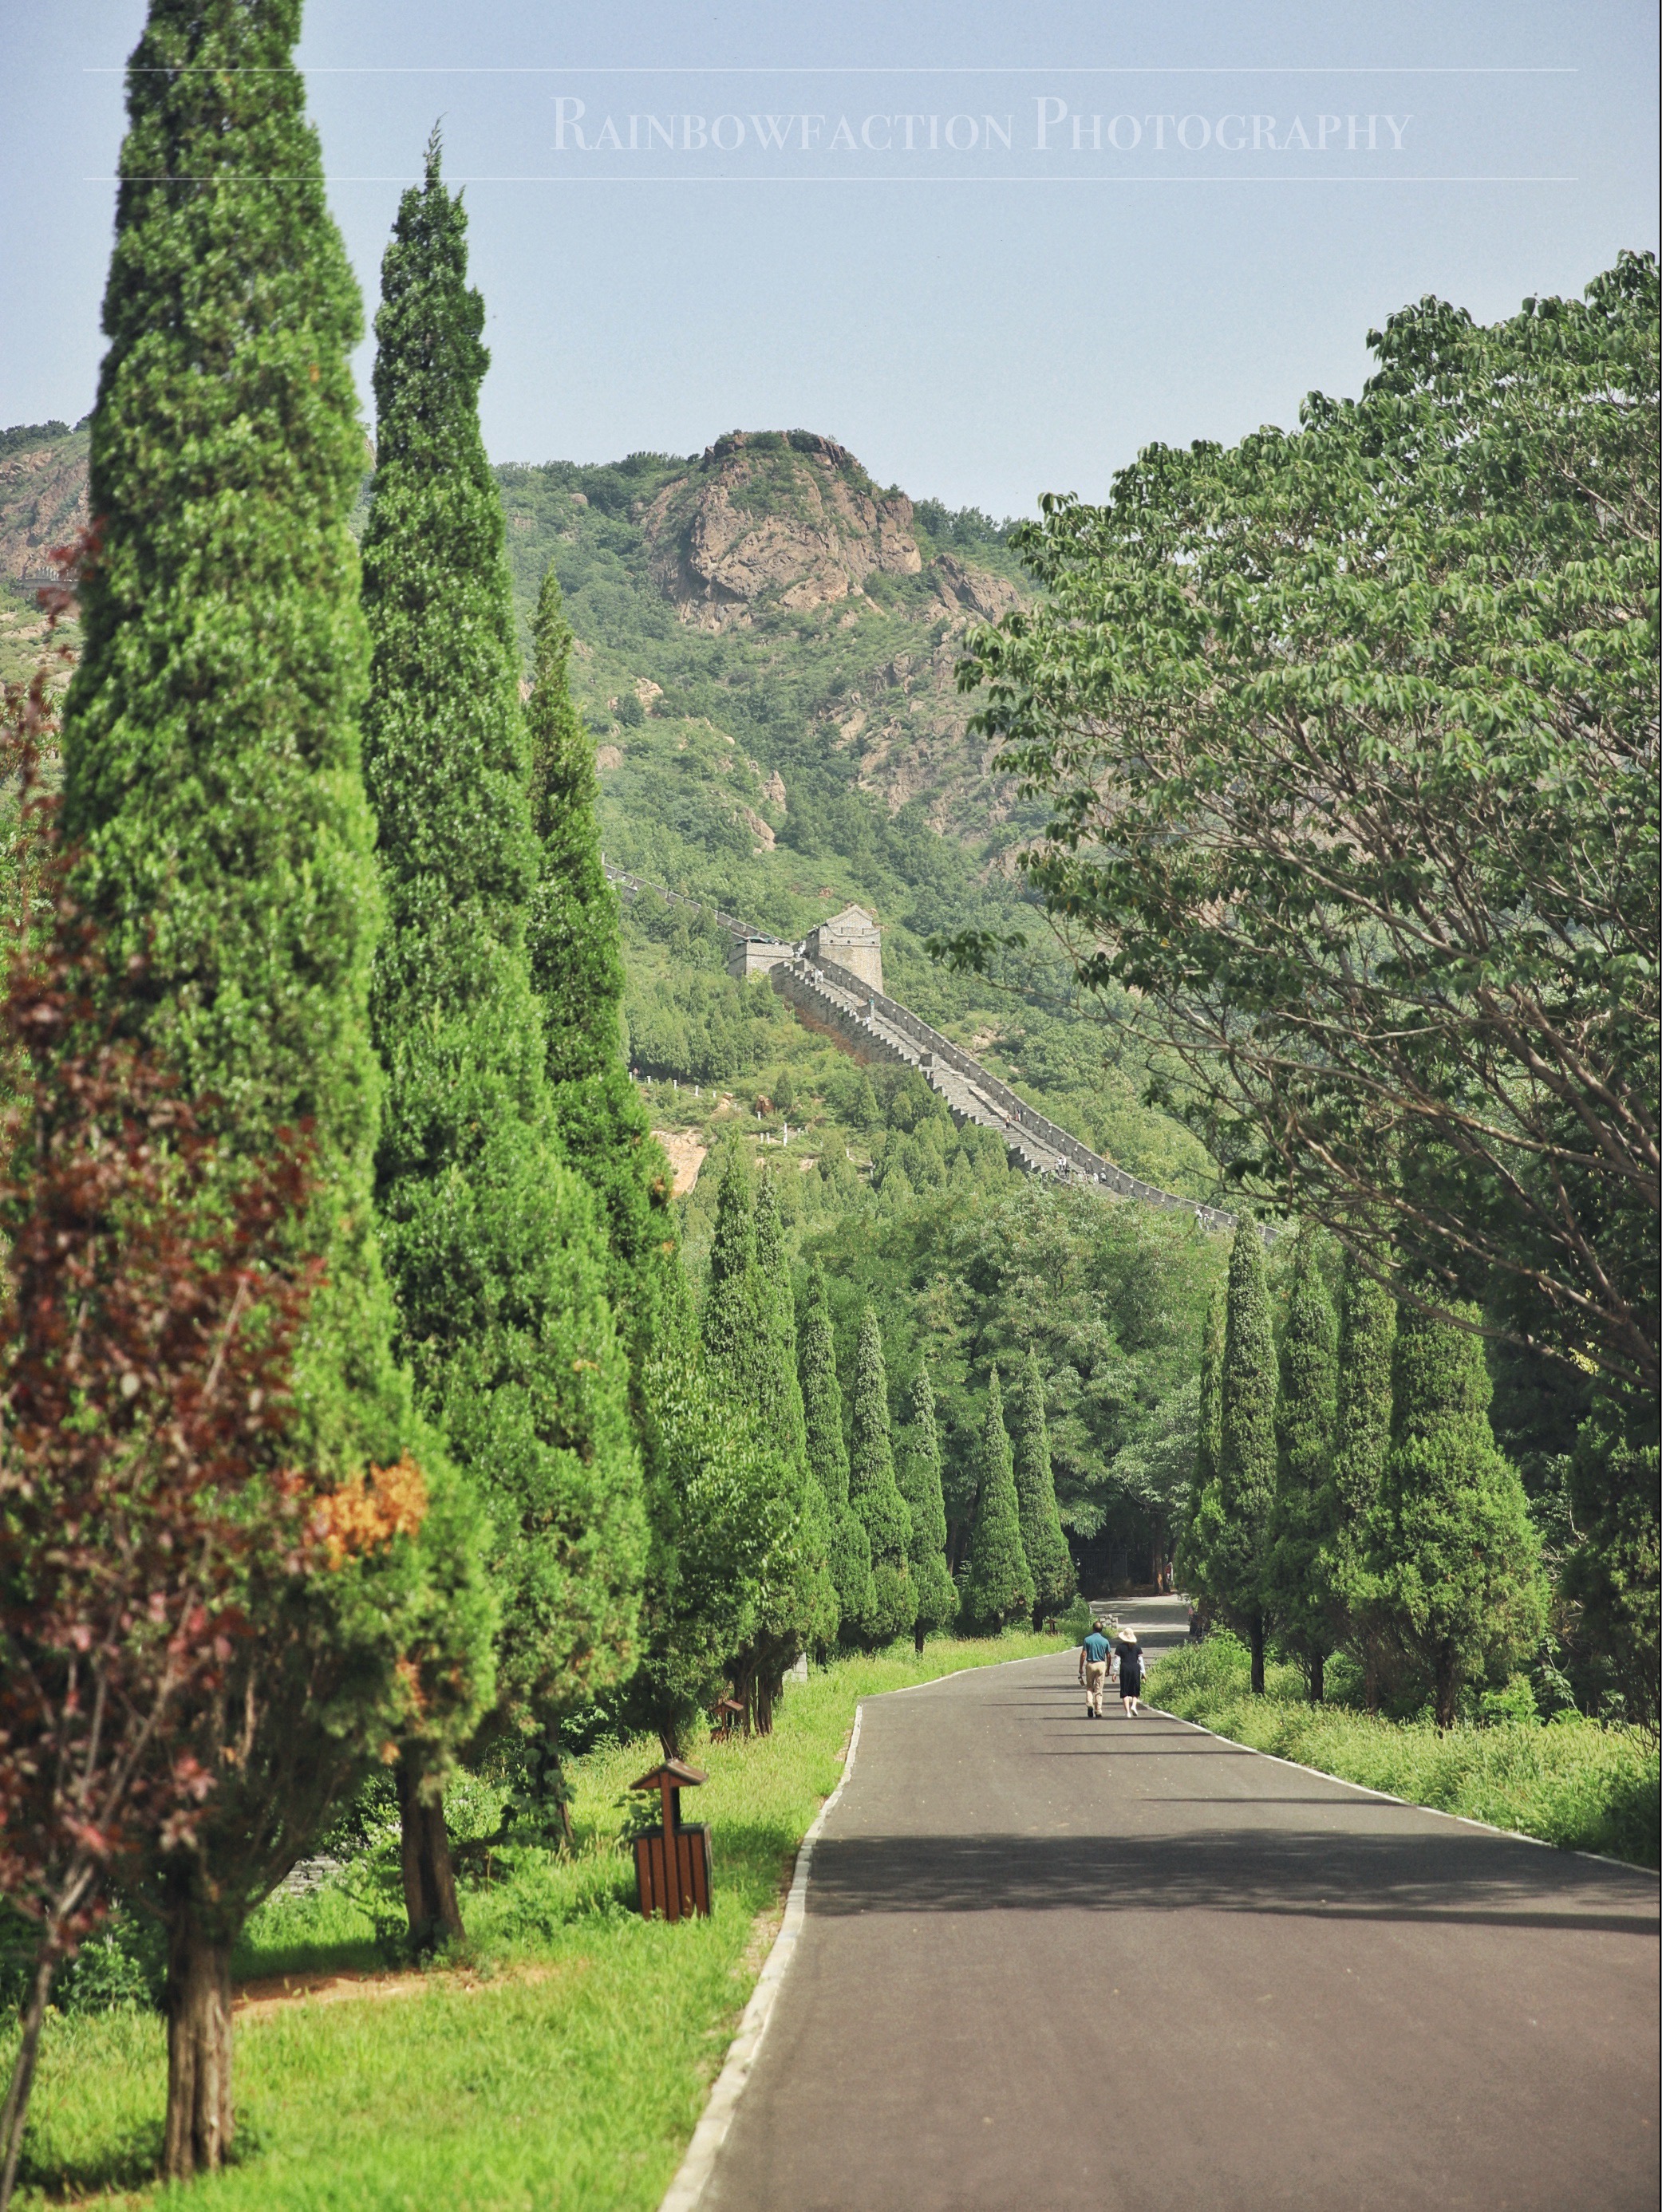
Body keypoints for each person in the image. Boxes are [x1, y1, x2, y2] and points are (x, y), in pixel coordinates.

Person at [1078, 1620, 1111, 1719]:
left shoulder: (1087, 1640)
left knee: (1089, 1687)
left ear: (1093, 1629)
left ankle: (1090, 1704)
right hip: (1101, 1664)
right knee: (1099, 1689)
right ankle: (1098, 1710)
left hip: (1090, 1664)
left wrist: (1080, 1667)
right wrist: (1108, 1668)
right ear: (1101, 1630)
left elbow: (1084, 1654)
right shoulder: (1105, 1641)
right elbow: (1108, 1655)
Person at [1116, 1627, 1144, 1717]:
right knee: (1135, 1688)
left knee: (1124, 1690)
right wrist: (1143, 1672)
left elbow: (1117, 1660)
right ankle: (1134, 1706)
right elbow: (1141, 1661)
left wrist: (1114, 1672)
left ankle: (1127, 1712)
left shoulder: (1120, 1647)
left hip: (1125, 1668)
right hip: (1135, 1668)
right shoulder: (1137, 1647)